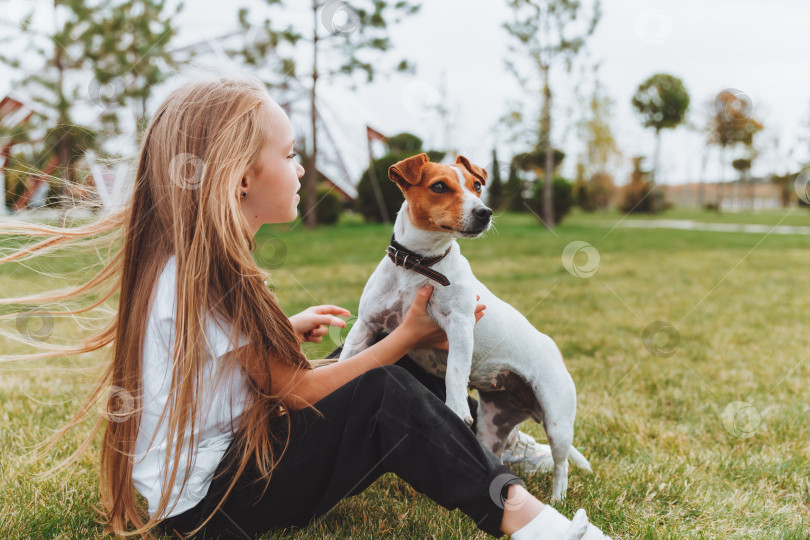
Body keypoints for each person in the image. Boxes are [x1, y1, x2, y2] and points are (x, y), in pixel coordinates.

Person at [11, 73, 608, 539]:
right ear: (242, 177)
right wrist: (402, 339)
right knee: (384, 389)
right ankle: (527, 519)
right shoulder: (217, 275)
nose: (302, 168)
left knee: (389, 374)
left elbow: (229, 369)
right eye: (292, 153)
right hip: (211, 509)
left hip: (206, 490)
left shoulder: (193, 266)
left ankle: (483, 441)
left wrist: (286, 332)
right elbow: (293, 393)